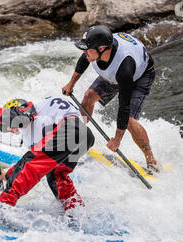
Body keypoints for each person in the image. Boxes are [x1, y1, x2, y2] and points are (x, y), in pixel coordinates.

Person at [62, 25, 159, 172]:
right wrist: (71, 84)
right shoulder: (94, 49)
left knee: (130, 121)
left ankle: (150, 158)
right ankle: (78, 138)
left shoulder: (124, 67)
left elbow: (124, 106)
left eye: (87, 49)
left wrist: (117, 140)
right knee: (88, 97)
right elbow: (83, 61)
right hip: (114, 74)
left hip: (140, 76)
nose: (84, 52)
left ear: (102, 49)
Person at [0, 97, 95, 210]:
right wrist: (7, 175)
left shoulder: (32, 111)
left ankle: (1, 207)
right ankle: (75, 210)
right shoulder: (38, 123)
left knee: (31, 165)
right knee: (56, 174)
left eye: (9, 126)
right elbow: (37, 158)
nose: (9, 129)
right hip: (84, 136)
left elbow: (30, 163)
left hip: (69, 128)